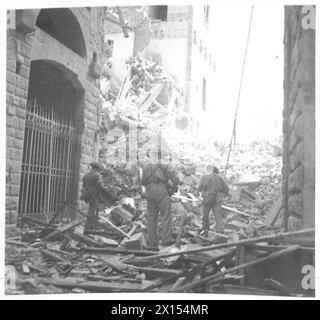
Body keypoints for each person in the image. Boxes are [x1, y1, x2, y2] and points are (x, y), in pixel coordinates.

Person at [141, 153, 179, 250]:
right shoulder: (163, 164)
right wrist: (174, 186)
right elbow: (174, 177)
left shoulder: (146, 166)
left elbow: (142, 182)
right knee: (166, 216)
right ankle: (166, 240)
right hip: (160, 189)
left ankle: (153, 242)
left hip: (149, 190)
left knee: (152, 217)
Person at [198, 165, 229, 236]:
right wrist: (222, 192)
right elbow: (226, 188)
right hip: (217, 198)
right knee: (217, 215)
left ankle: (205, 230)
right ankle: (220, 231)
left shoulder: (203, 177)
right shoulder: (219, 177)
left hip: (207, 198)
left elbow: (199, 188)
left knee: (205, 215)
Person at [81, 162, 105, 230]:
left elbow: (83, 186)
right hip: (94, 195)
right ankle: (91, 226)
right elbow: (100, 186)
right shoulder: (97, 175)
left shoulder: (86, 175)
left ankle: (89, 225)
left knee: (91, 210)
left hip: (87, 195)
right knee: (94, 210)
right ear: (97, 168)